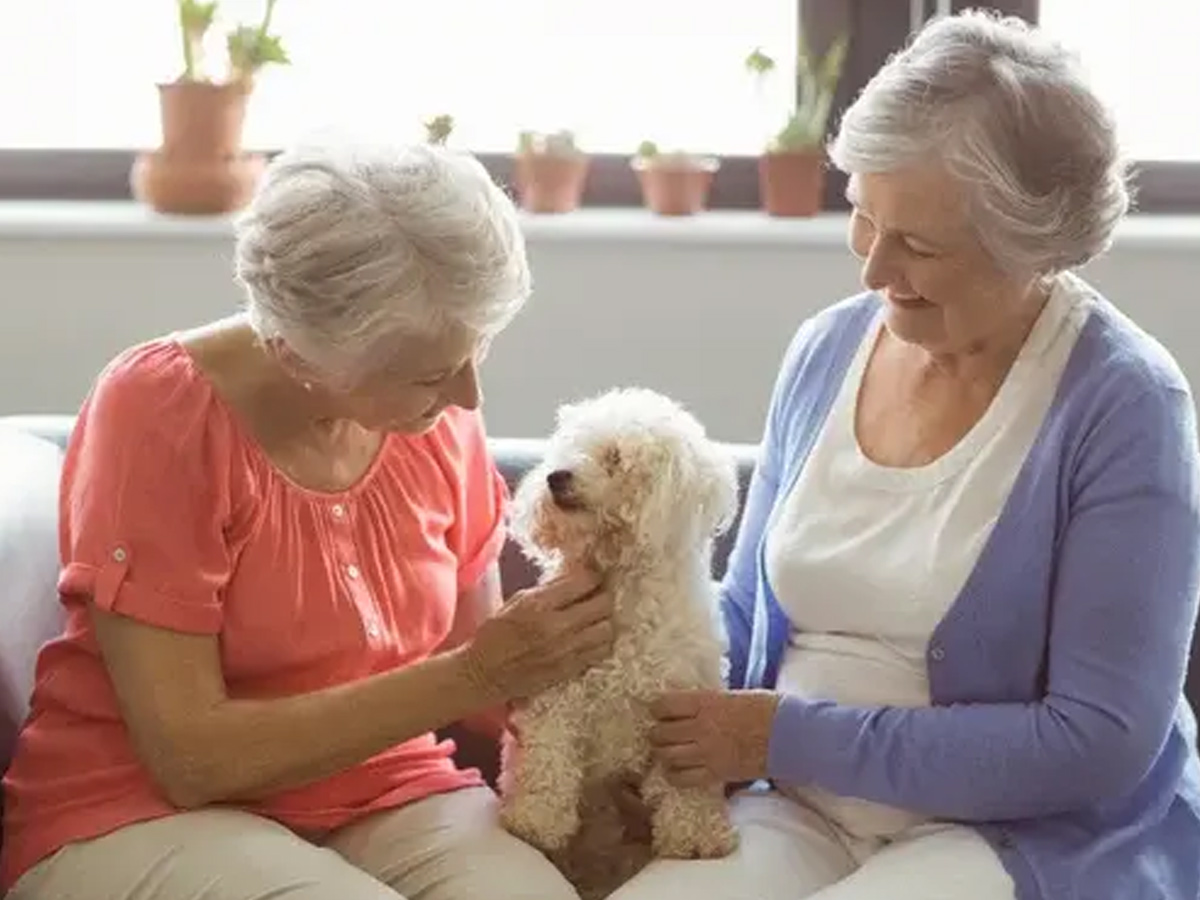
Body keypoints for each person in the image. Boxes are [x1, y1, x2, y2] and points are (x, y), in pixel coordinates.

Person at [614, 10, 1200, 900]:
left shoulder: (1125, 404)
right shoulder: (827, 348)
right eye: (863, 217)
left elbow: (1098, 739)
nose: (874, 270)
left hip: (1015, 832)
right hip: (800, 804)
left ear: (1031, 248)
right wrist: (645, 689)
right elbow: (746, 609)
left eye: (919, 245)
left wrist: (785, 738)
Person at [0, 141, 615, 899]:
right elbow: (191, 761)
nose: (467, 398)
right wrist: (478, 672)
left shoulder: (434, 416)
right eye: (430, 374)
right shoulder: (159, 413)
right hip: (138, 807)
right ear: (302, 357)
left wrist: (621, 742)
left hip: (387, 786)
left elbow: (485, 668)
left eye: (475, 351)